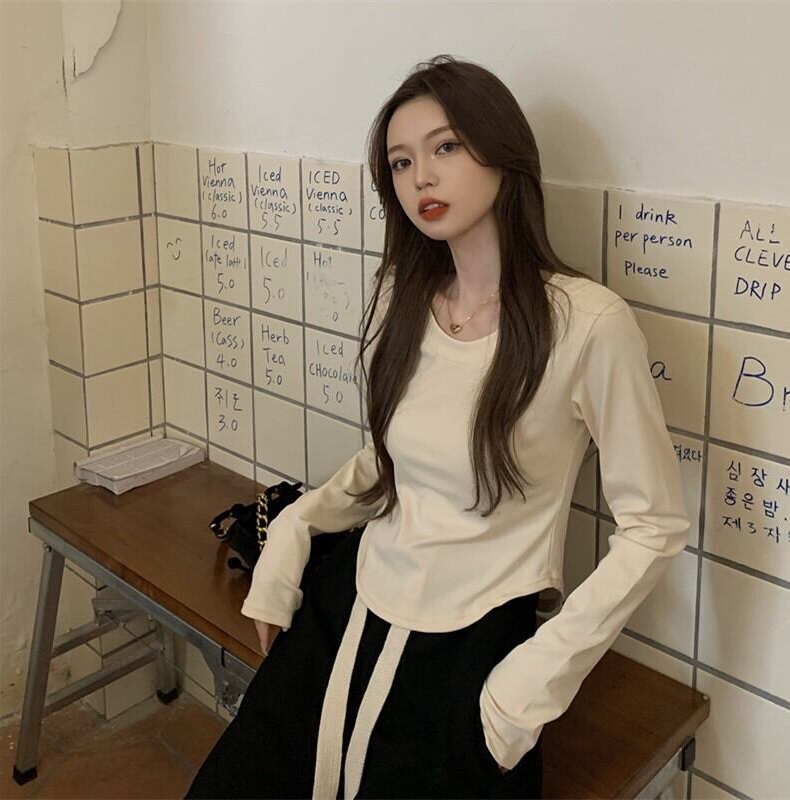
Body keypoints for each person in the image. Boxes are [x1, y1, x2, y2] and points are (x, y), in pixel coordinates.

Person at [185, 54, 690, 800]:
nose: (421, 176)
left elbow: (655, 524)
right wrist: (296, 528)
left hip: (474, 647)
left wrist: (526, 690)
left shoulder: (587, 325)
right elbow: (390, 459)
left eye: (445, 146)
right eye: (400, 161)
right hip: (350, 600)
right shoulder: (407, 296)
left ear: (503, 153)